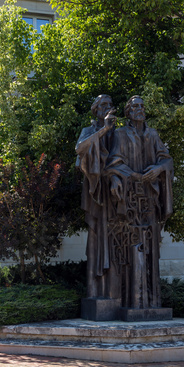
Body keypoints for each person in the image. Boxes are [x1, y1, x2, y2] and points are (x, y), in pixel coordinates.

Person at [105, 95, 173, 310]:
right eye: (135, 106)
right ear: (128, 111)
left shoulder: (153, 134)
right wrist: (128, 175)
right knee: (130, 244)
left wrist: (158, 169)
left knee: (150, 243)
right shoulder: (121, 133)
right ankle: (130, 300)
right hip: (130, 194)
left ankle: (152, 301)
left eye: (142, 106)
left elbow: (166, 159)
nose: (140, 109)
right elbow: (113, 162)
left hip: (150, 196)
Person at [75, 94, 118, 299]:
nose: (107, 108)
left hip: (115, 192)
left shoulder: (120, 133)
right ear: (96, 109)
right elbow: (79, 149)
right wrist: (104, 130)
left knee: (116, 236)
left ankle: (115, 290)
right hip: (95, 191)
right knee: (96, 235)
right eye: (103, 104)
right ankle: (96, 291)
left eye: (110, 105)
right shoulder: (90, 131)